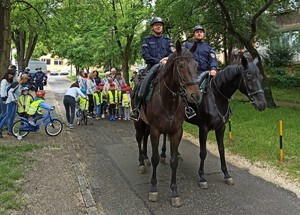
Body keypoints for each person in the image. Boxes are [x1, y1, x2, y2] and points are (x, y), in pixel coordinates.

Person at [130, 17, 174, 121]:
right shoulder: (147, 40)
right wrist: (159, 61)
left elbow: (173, 53)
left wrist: (167, 59)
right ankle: (136, 110)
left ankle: (185, 109)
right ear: (152, 27)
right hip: (152, 68)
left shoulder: (168, 41)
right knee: (140, 86)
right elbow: (146, 55)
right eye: (156, 25)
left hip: (167, 68)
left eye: (160, 25)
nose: (158, 26)